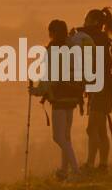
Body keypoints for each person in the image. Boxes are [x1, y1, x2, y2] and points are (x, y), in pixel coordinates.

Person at [29, 19, 86, 180]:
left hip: (59, 98)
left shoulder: (52, 50)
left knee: (58, 137)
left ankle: (76, 171)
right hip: (73, 97)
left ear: (52, 33)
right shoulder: (72, 47)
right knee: (66, 137)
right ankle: (64, 171)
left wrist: (37, 91)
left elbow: (49, 77)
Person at [76, 6, 112, 173]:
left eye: (86, 19)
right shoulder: (101, 38)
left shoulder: (95, 38)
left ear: (93, 22)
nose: (83, 22)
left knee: (92, 128)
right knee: (100, 129)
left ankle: (90, 164)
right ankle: (103, 166)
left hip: (100, 89)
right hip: (102, 88)